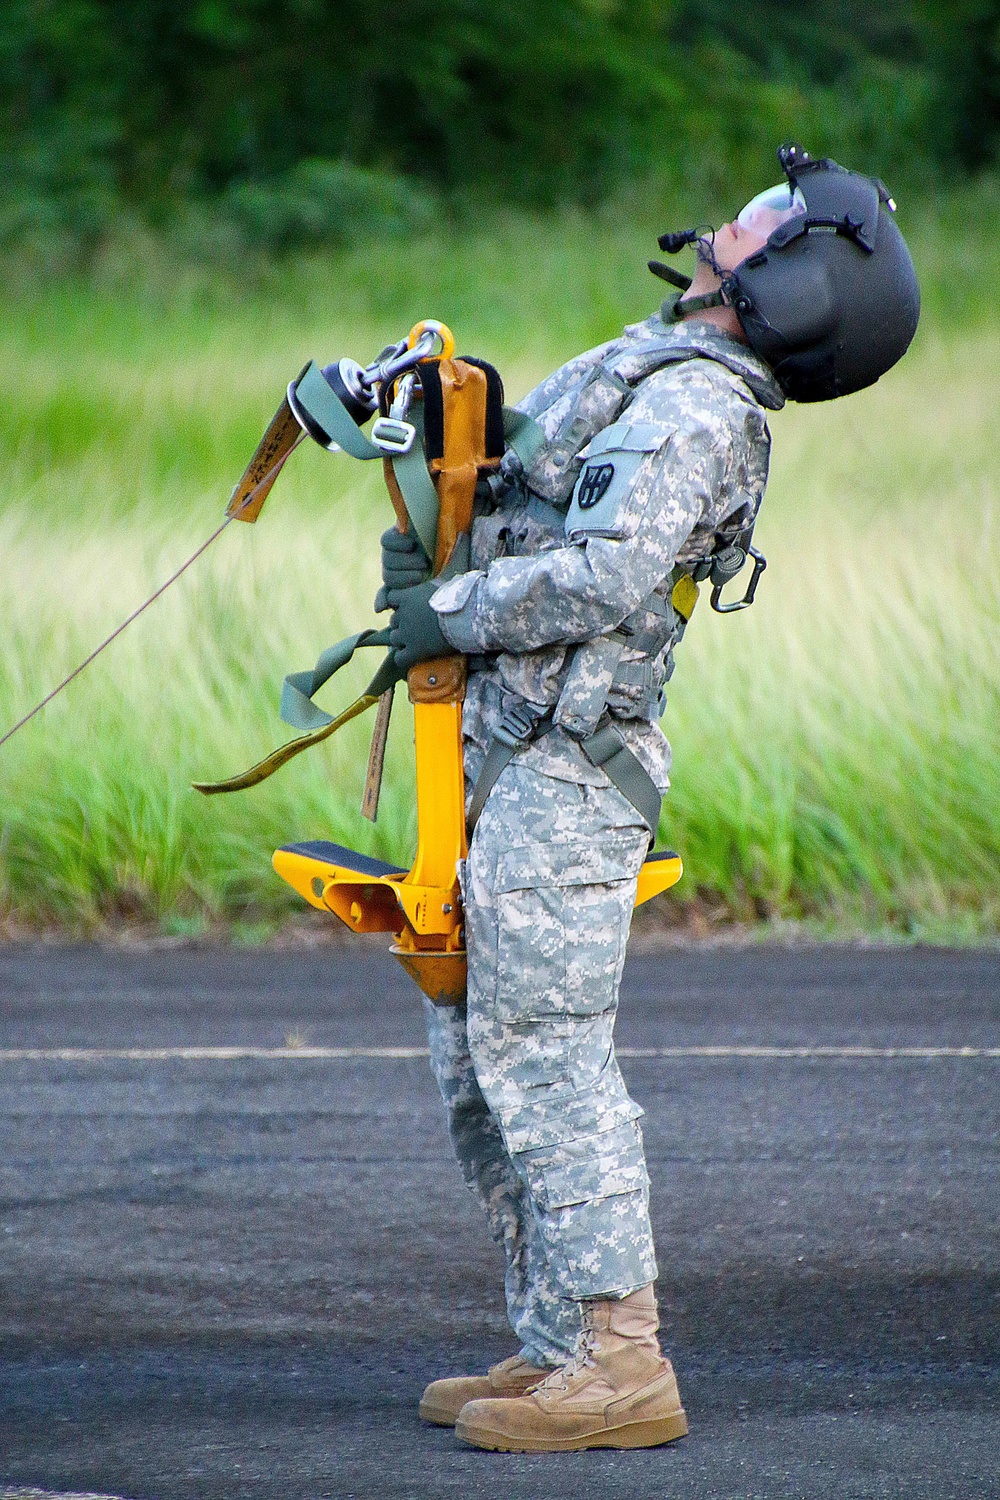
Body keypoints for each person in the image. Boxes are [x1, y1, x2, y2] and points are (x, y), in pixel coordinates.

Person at [378, 144, 919, 1453]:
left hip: (572, 768)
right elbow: (525, 480)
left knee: (545, 1058)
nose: (736, 222)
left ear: (796, 285)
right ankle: (558, 1341)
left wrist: (441, 609)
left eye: (769, 221)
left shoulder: (700, 413)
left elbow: (603, 582)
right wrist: (426, 422)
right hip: (509, 748)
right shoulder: (656, 372)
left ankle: (622, 1362)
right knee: (479, 1058)